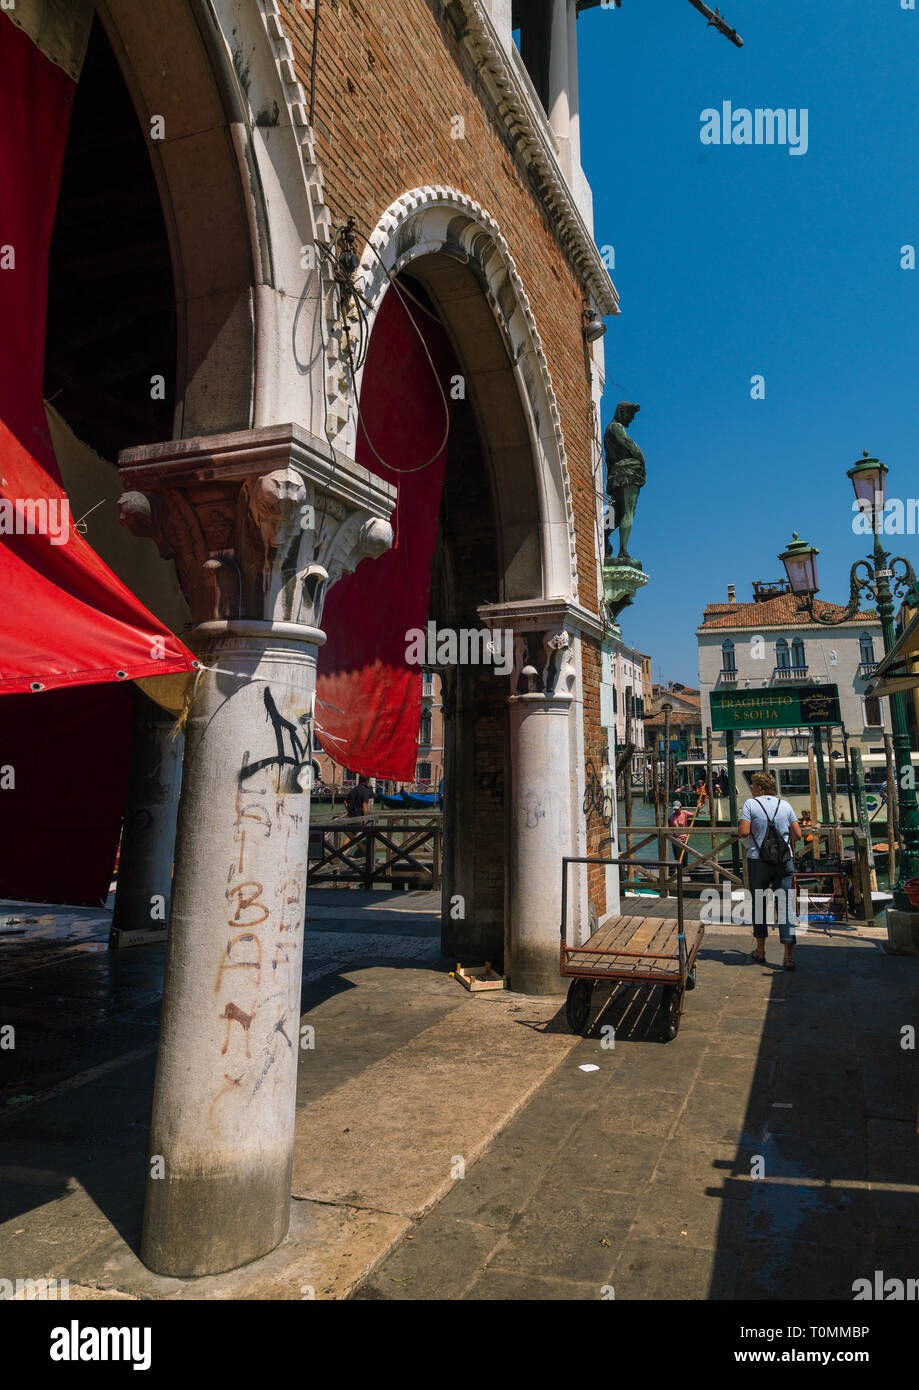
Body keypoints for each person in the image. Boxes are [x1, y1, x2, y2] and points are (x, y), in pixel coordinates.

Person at [739, 770, 803, 970]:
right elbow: (798, 834)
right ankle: (789, 957)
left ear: (758, 787)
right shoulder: (785, 804)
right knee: (785, 906)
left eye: (752, 786)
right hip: (784, 861)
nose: (751, 789)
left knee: (759, 904)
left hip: (758, 861)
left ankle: (760, 951)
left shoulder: (751, 804)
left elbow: (743, 832)